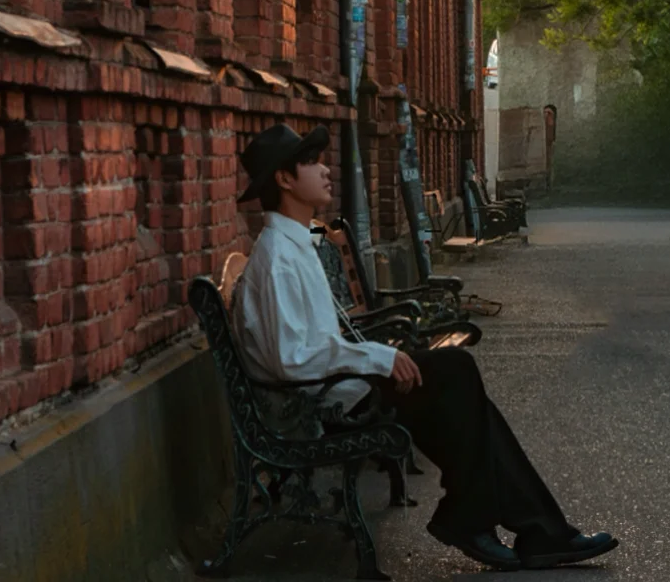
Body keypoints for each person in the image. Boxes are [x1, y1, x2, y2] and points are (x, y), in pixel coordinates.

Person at [232, 122, 618, 572]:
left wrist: (376, 355)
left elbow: (314, 342)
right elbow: (292, 359)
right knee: (455, 374)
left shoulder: (296, 243)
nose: (325, 170)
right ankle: (519, 526)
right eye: (312, 162)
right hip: (319, 402)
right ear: (283, 179)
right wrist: (380, 356)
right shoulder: (278, 257)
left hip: (335, 387)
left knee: (461, 390)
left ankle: (528, 527)